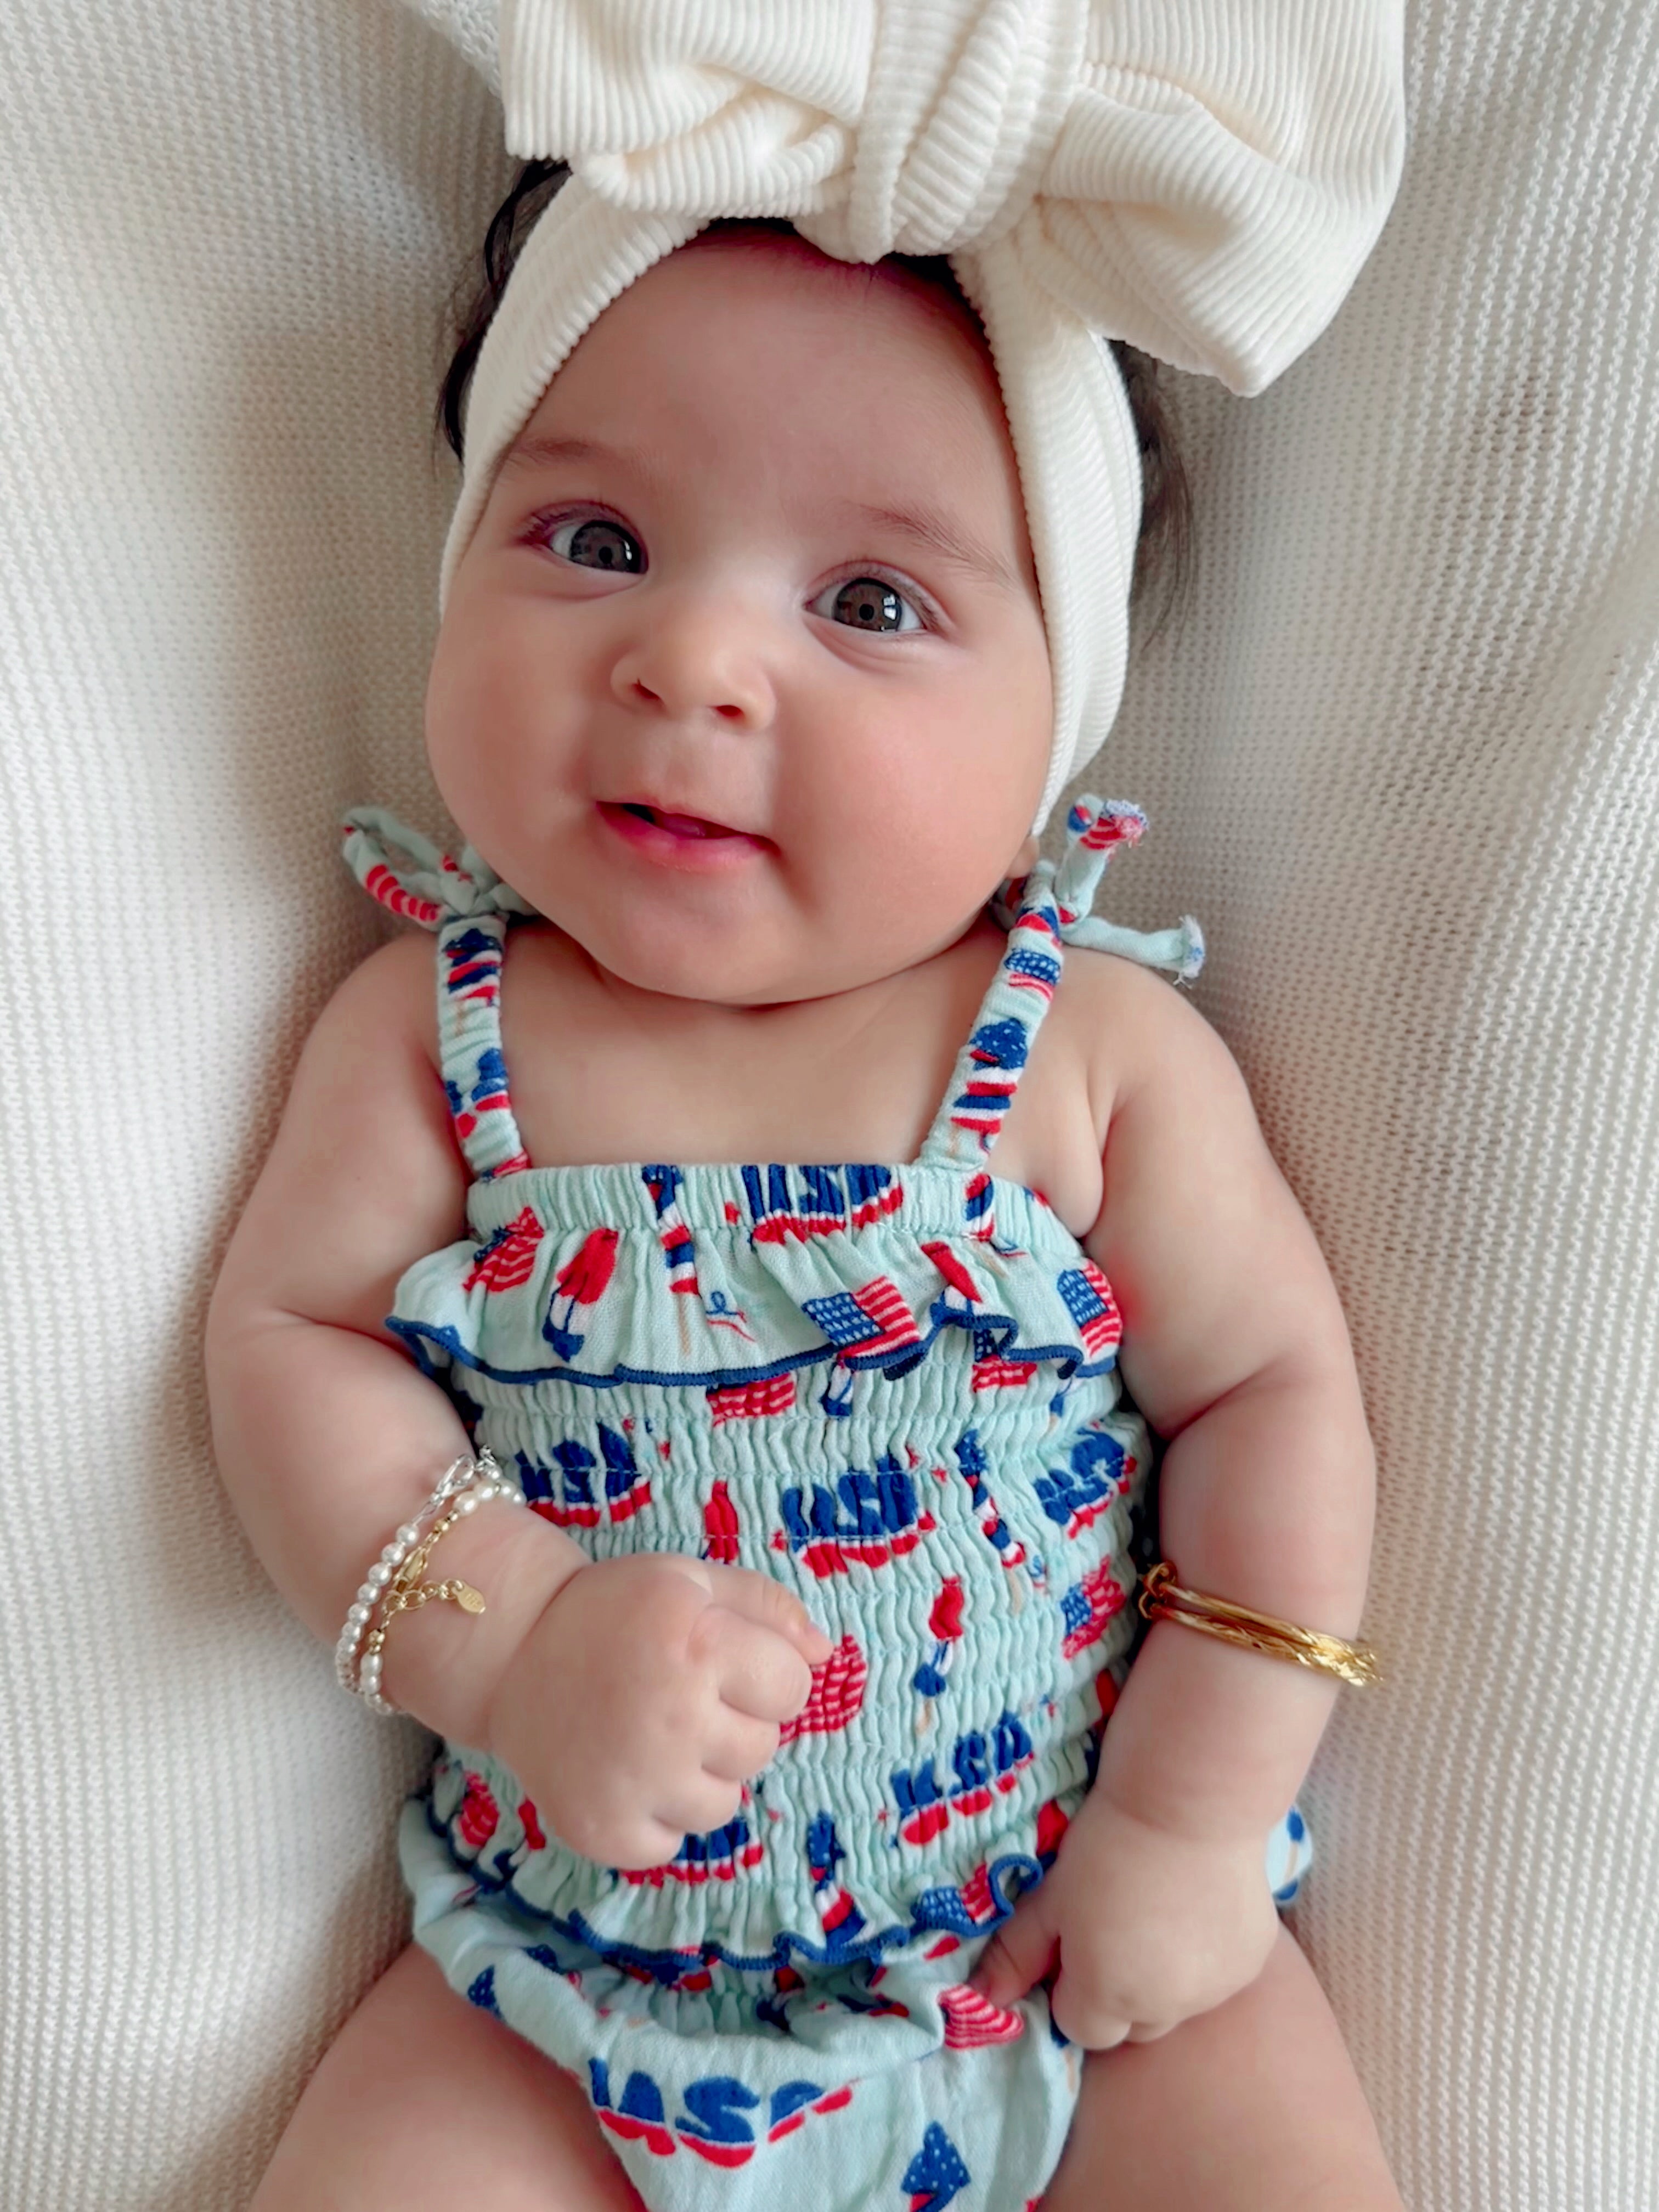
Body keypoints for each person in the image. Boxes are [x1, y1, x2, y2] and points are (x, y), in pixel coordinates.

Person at [206, 9, 1408, 2207]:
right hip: (564, 2003)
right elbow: (285, 1351)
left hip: (1070, 1971)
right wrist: (522, 1640)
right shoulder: (435, 1034)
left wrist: (1193, 1824)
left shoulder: (1081, 1055)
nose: (695, 664)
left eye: (870, 601)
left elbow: (1274, 1407)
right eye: (589, 540)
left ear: (1060, 717)